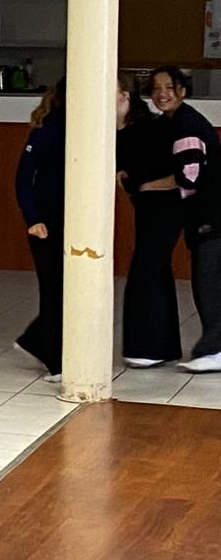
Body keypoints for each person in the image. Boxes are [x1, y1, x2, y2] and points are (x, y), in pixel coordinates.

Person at [138, 67, 221, 373]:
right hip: (202, 215)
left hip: (212, 214)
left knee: (209, 282)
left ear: (183, 91)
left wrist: (147, 186)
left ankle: (215, 349)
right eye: (156, 88)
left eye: (169, 87)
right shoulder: (170, 122)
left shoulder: (187, 125)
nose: (162, 94)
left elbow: (189, 177)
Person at [118, 71, 182, 367]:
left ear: (125, 97)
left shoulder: (143, 129)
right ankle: (160, 346)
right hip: (150, 208)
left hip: (164, 207)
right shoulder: (129, 128)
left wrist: (140, 185)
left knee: (146, 271)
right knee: (155, 270)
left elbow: (169, 174)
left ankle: (146, 348)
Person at [14, 79, 66, 383]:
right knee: (54, 290)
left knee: (63, 290)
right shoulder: (47, 130)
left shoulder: (87, 128)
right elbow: (23, 178)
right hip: (46, 222)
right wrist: (32, 219)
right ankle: (54, 358)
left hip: (72, 219)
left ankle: (35, 341)